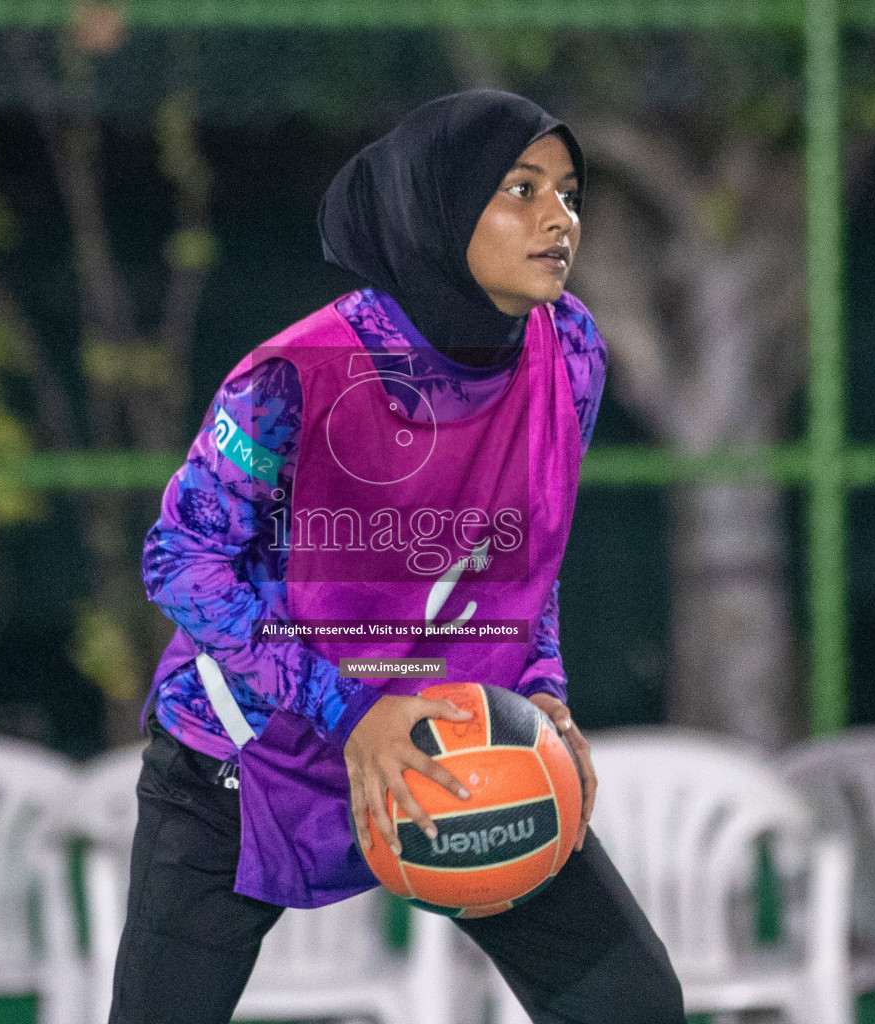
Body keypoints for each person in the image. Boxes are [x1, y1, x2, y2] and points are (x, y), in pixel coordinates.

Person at [110, 89, 685, 1024]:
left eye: (569, 193)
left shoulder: (570, 349)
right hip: (252, 759)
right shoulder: (298, 376)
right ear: (442, 207)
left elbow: (524, 557)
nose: (559, 220)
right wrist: (351, 707)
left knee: (630, 1005)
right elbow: (181, 560)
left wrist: (540, 689)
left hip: (443, 746)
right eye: (520, 190)